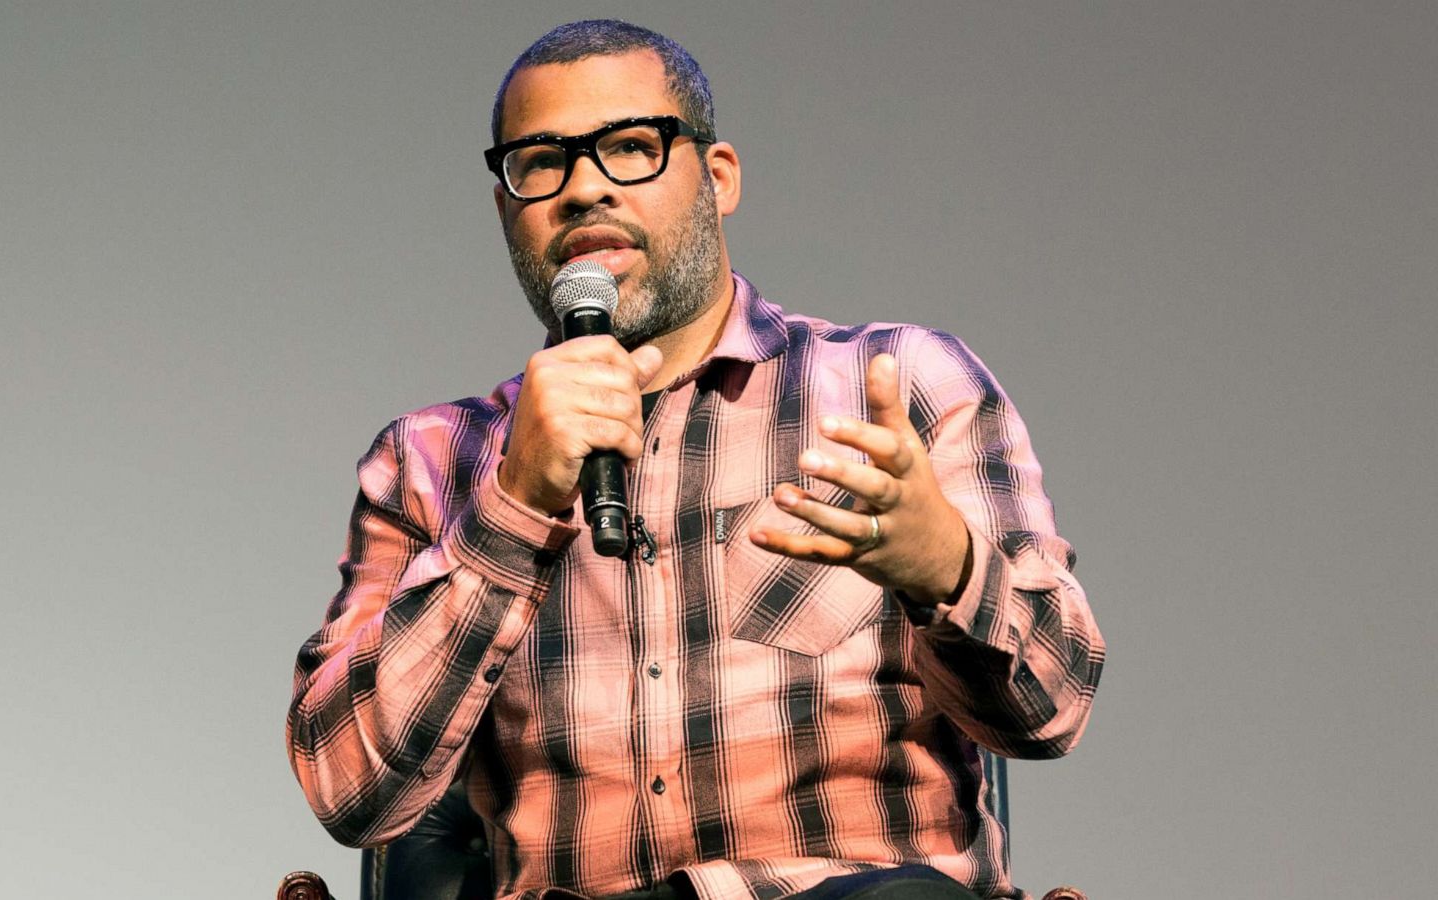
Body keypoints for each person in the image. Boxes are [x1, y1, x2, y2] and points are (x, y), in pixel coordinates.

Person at [287, 20, 1104, 900]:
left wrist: (943, 563)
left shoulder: (895, 386)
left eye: (631, 147)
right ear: (507, 208)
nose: (584, 189)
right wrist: (513, 508)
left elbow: (1054, 709)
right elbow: (348, 790)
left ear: (718, 180)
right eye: (541, 162)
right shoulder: (430, 461)